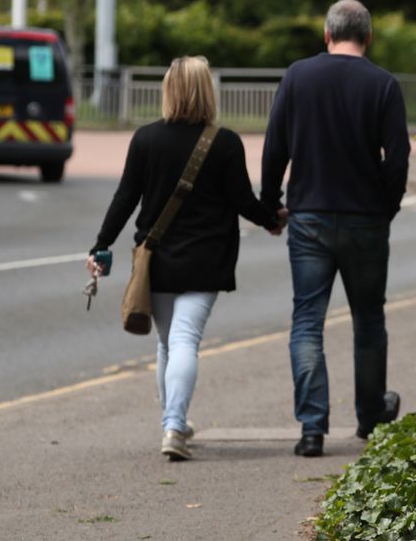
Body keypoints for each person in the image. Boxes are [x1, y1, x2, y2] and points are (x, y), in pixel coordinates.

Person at [88, 56, 283, 461]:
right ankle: (174, 425)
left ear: (168, 91)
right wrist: (272, 220)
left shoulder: (145, 139)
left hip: (156, 260)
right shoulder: (224, 142)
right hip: (207, 259)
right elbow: (243, 201)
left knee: (168, 343)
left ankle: (172, 421)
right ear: (206, 92)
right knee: (184, 341)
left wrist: (101, 245)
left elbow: (125, 198)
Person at [261, 0, 410, 458]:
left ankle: (312, 428)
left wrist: (272, 206)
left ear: (327, 36)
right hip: (366, 218)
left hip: (308, 216)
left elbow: (274, 148)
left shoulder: (297, 77)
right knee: (368, 320)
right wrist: (385, 207)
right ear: (367, 37)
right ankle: (370, 417)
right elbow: (398, 158)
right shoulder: (383, 84)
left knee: (307, 322)